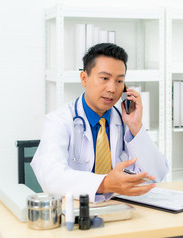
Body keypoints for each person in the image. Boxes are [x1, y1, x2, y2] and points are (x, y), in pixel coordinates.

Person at [31, 43, 169, 202]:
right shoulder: (58, 121)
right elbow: (50, 177)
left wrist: (135, 126)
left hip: (119, 208)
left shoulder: (124, 122)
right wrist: (105, 184)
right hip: (76, 211)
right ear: (84, 78)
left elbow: (157, 174)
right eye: (104, 78)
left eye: (119, 81)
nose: (112, 88)